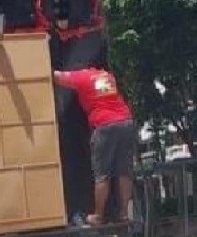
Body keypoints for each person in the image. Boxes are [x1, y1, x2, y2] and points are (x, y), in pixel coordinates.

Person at [53, 65, 137, 227]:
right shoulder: (106, 76)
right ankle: (124, 214)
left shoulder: (82, 77)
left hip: (104, 125)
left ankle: (98, 216)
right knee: (124, 171)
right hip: (125, 121)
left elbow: (56, 77)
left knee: (102, 174)